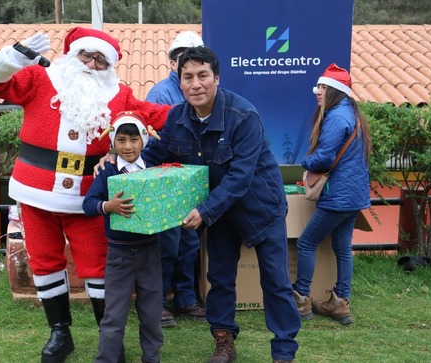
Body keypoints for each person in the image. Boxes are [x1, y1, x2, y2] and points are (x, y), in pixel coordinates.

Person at [97, 46, 300, 363]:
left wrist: (204, 211)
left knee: (275, 280)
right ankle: (224, 340)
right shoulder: (177, 118)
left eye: (203, 75)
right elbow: (154, 156)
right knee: (219, 278)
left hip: (260, 208)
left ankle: (284, 349)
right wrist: (119, 160)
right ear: (180, 82)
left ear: (216, 78)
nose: (195, 84)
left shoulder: (243, 116)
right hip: (219, 214)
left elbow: (240, 176)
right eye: (187, 77)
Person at [0, 27, 170, 363]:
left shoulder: (120, 94)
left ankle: (108, 338)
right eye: (87, 55)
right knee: (44, 262)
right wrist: (15, 56)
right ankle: (60, 333)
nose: (92, 64)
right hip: (35, 191)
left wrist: (202, 108)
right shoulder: (41, 78)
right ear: (73, 54)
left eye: (101, 60)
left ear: (109, 66)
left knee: (97, 268)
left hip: (89, 197)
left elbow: (153, 116)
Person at [292, 63, 372, 325]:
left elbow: (325, 158)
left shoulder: (336, 117)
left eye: (323, 87)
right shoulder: (350, 113)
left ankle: (301, 299)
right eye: (318, 86)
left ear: (335, 91)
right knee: (342, 248)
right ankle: (340, 303)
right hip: (352, 195)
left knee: (305, 243)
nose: (318, 91)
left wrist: (305, 163)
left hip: (338, 197)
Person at [83, 111, 164, 363]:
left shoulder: (152, 170)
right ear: (112, 143)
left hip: (150, 252)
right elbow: (88, 204)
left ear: (143, 140)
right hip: (118, 255)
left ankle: (151, 358)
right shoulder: (107, 171)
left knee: (151, 313)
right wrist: (108, 206)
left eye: (134, 140)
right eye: (121, 140)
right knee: (114, 315)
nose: (127, 147)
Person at [145, 30, 206, 328]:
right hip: (164, 180)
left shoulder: (201, 90)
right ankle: (157, 303)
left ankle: (185, 298)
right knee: (167, 244)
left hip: (190, 180)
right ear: (172, 62)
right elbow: (149, 143)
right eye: (182, 56)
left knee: (190, 243)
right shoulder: (160, 94)